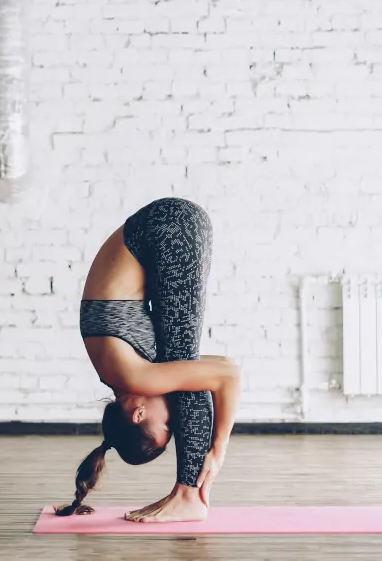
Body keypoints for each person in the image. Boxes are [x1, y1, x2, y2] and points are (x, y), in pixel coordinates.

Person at [54, 197, 240, 523]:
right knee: (185, 367)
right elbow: (221, 366)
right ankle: (183, 494)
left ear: (139, 413)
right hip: (164, 227)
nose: (173, 420)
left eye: (165, 425)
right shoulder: (119, 370)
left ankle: (189, 496)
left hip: (167, 230)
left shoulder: (133, 377)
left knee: (186, 371)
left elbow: (227, 376)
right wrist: (202, 374)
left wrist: (218, 448)